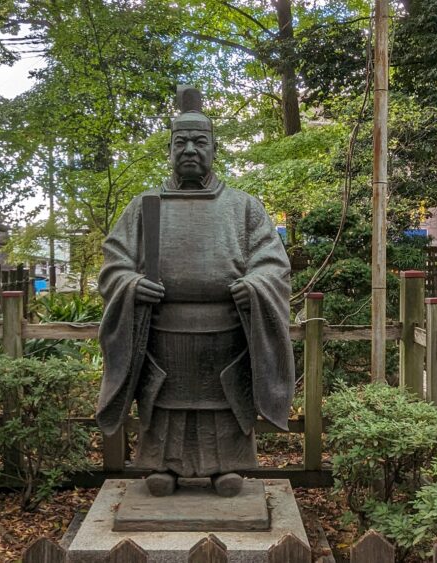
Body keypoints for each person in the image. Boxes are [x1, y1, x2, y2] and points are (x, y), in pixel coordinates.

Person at [96, 87, 294, 497]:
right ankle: (162, 466)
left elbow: (272, 261)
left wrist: (254, 285)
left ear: (214, 149)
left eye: (199, 142)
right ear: (168, 149)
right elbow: (114, 262)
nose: (189, 150)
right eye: (180, 142)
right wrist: (132, 285)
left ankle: (227, 466)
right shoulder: (144, 205)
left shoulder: (243, 207)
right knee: (163, 398)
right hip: (162, 331)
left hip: (227, 332)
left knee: (223, 400)